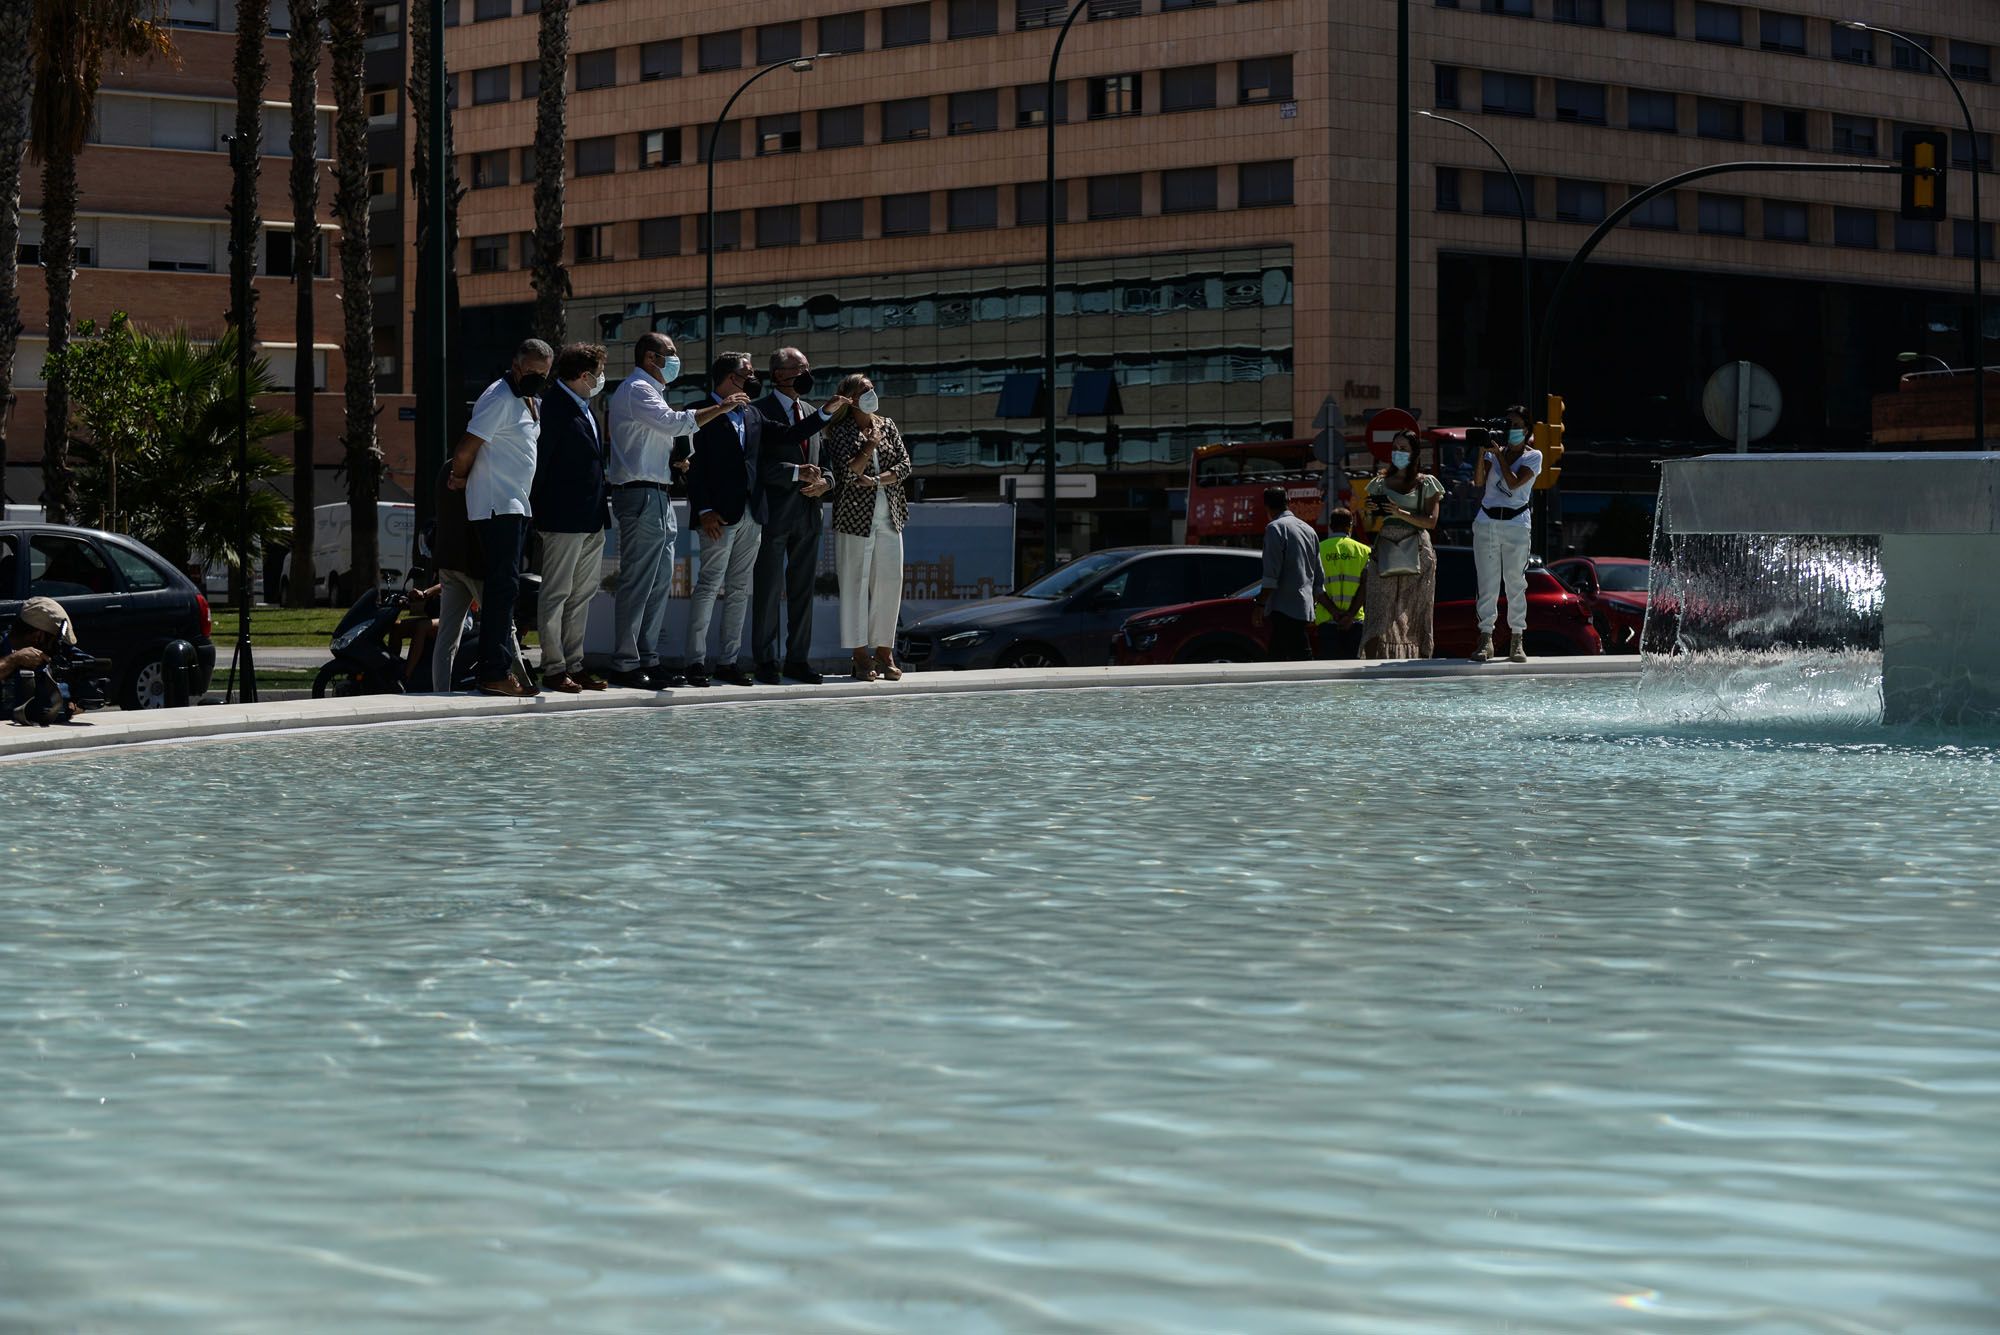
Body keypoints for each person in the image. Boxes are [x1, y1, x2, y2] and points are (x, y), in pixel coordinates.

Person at [604, 333, 745, 689]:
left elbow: (655, 439)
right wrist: (721, 408)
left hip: (658, 493)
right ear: (650, 357)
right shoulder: (638, 389)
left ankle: (647, 658)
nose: (675, 359)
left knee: (658, 581)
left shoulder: (651, 391)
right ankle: (625, 662)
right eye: (670, 353)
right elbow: (673, 423)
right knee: (639, 581)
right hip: (641, 494)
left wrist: (677, 460)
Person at [683, 350, 831, 687]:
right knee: (709, 586)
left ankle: (728, 662)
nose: (753, 378)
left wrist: (826, 411)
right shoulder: (700, 412)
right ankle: (695, 662)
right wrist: (704, 510)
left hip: (752, 514)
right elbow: (693, 466)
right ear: (730, 377)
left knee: (738, 589)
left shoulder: (751, 413)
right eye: (747, 373)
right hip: (718, 516)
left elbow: (790, 434)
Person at [449, 338, 551, 697]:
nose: (537, 378)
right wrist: (459, 476)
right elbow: (467, 447)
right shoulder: (498, 397)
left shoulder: (528, 400)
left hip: (516, 505)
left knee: (505, 588)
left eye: (543, 374)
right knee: (501, 588)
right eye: (532, 371)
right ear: (516, 365)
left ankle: (497, 669)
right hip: (497, 505)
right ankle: (493, 671)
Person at [751, 347, 849, 685]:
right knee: (768, 591)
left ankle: (797, 659)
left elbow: (827, 465)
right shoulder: (758, 412)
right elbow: (757, 466)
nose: (806, 373)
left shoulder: (812, 412)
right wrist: (795, 473)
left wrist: (826, 483)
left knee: (803, 592)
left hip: (809, 515)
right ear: (778, 374)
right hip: (774, 516)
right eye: (798, 368)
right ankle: (765, 661)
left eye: (807, 367)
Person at [530, 342, 613, 694]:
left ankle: (574, 664)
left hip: (591, 517)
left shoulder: (585, 407)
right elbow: (540, 465)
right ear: (584, 375)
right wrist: (540, 513)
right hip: (562, 518)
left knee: (582, 593)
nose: (602, 379)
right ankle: (553, 667)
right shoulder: (553, 408)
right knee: (557, 593)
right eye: (599, 373)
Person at [821, 374, 913, 681]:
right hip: (853, 519)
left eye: (872, 388)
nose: (871, 393)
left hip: (890, 516)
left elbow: (904, 465)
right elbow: (847, 474)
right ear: (850, 399)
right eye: (864, 390)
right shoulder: (839, 430)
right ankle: (860, 655)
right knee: (854, 586)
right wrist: (870, 444)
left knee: (890, 583)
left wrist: (875, 480)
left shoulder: (887, 424)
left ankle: (884, 652)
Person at [1360, 430, 1444, 660]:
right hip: (1385, 546)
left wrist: (1399, 512)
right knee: (1378, 607)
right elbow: (1370, 524)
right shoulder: (1379, 482)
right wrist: (1371, 510)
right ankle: (1371, 660)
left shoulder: (1426, 483)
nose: (1398, 453)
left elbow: (1431, 522)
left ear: (1414, 453)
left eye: (1404, 449)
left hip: (1417, 549)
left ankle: (1421, 658)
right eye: (1395, 448)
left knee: (1417, 608)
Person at [1470, 408, 1542, 663]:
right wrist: (1482, 452)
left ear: (1527, 430)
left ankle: (1517, 638)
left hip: (1516, 523)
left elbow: (1513, 482)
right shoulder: (1494, 453)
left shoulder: (1533, 456)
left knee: (1515, 582)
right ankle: (1485, 637)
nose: (1511, 429)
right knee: (1487, 582)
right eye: (1507, 424)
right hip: (1487, 520)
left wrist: (1499, 456)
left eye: (1516, 425)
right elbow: (1478, 482)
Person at [1253, 487, 1336, 661]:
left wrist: (1260, 604)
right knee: (1281, 657)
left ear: (1266, 506)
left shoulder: (1275, 528)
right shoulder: (1309, 530)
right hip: (1303, 607)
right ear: (1288, 502)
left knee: (1295, 657)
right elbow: (1318, 577)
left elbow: (1271, 576)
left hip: (1283, 607)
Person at [1, 596, 87, 724]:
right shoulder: (3, 645)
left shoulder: (59, 655)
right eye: (53, 642)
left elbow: (84, 692)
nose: (54, 648)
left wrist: (72, 703)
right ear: (38, 635)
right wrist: (14, 660)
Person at [1315, 505, 1371, 659]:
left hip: (1327, 621)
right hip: (1355, 621)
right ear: (1350, 526)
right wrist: (1350, 615)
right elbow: (1365, 586)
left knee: (1329, 668)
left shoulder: (1318, 550)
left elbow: (1315, 586)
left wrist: (1334, 612)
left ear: (1331, 526)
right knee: (1353, 668)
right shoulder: (1364, 551)